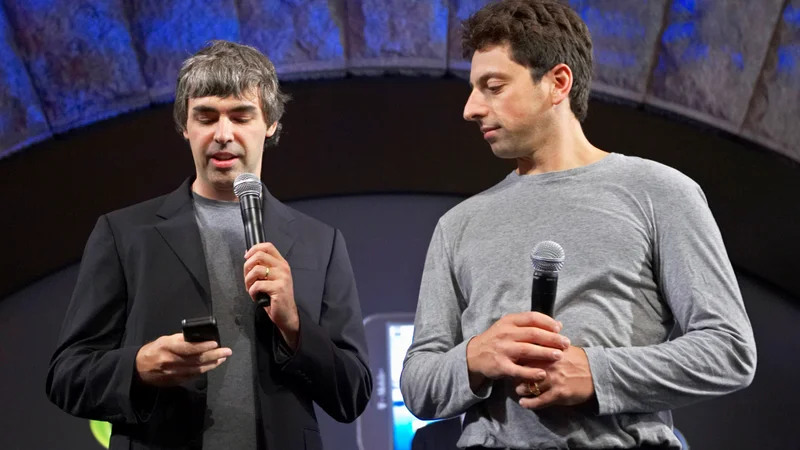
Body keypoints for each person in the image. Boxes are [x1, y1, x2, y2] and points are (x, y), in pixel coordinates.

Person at [400, 1, 756, 449]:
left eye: (492, 86)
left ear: (557, 82)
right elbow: (417, 384)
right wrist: (476, 356)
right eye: (473, 89)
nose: (471, 108)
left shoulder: (659, 193)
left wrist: (596, 372)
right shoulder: (458, 224)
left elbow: (729, 350)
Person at [46, 40, 372, 450]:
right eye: (206, 116)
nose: (223, 134)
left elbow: (353, 394)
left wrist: (294, 325)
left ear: (269, 123)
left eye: (241, 116)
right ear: (185, 125)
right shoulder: (125, 233)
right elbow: (66, 375)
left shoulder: (319, 242)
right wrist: (139, 366)